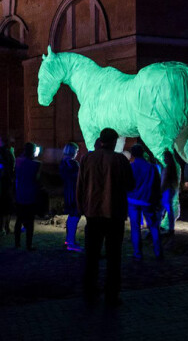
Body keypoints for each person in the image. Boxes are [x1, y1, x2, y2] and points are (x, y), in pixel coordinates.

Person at [77, 128, 135, 306]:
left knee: (91, 256)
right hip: (114, 214)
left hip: (93, 214)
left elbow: (80, 186)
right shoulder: (120, 160)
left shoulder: (87, 158)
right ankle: (111, 294)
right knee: (114, 257)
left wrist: (82, 208)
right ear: (114, 141)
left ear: (101, 140)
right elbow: (130, 185)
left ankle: (90, 291)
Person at [127, 144, 162, 261]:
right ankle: (158, 252)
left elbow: (127, 184)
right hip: (148, 200)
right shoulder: (152, 167)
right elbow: (157, 186)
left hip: (133, 200)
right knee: (153, 226)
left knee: (135, 228)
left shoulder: (131, 167)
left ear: (132, 154)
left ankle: (138, 253)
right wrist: (157, 201)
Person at [14, 142, 42, 250]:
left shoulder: (18, 161)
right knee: (30, 221)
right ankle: (28, 245)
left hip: (20, 193)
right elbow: (37, 179)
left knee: (19, 219)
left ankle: (17, 243)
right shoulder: (37, 164)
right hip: (31, 194)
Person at [60, 142, 81, 251]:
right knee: (75, 215)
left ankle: (69, 240)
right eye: (76, 151)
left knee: (71, 216)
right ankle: (71, 243)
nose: (77, 153)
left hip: (68, 191)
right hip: (74, 192)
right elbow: (79, 178)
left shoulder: (63, 162)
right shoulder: (73, 163)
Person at [0, 136, 16, 235]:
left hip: (2, 182)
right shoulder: (10, 152)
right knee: (7, 206)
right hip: (9, 181)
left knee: (2, 206)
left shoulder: (0, 152)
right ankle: (7, 227)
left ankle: (1, 227)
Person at [159, 150, 179, 237]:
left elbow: (164, 182)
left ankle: (160, 226)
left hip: (167, 191)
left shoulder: (168, 169)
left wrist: (161, 190)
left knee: (163, 209)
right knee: (167, 209)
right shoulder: (172, 168)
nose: (163, 159)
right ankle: (170, 227)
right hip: (171, 190)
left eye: (164, 157)